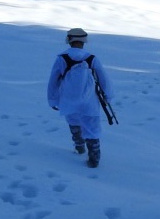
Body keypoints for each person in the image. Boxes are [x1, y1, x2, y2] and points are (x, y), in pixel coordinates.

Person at [46, 28, 114, 168]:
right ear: (84, 41)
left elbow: (54, 80)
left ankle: (79, 146)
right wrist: (107, 96)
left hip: (69, 99)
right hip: (90, 101)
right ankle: (94, 157)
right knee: (92, 128)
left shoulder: (62, 58)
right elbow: (103, 79)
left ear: (69, 40)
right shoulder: (91, 58)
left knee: (74, 122)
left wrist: (53, 99)